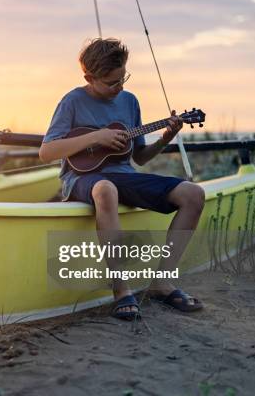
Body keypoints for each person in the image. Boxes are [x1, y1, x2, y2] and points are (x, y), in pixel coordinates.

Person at [39, 38, 205, 320]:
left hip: (123, 175)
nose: (120, 87)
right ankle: (121, 289)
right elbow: (47, 151)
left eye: (123, 78)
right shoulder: (71, 102)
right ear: (89, 78)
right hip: (82, 178)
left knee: (193, 194)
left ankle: (162, 283)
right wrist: (97, 136)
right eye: (112, 82)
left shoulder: (129, 101)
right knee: (105, 189)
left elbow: (139, 157)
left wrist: (166, 138)